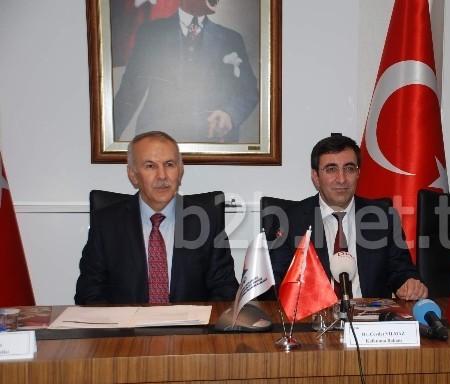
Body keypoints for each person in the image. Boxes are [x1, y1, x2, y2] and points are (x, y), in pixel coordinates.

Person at [75, 131, 239, 304]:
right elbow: (88, 294)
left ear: (180, 171)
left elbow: (225, 291)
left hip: (191, 321)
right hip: (126, 321)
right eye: (150, 166)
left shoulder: (206, 220)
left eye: (169, 164)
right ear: (133, 175)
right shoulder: (106, 224)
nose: (162, 176)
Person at [270, 135, 428, 300]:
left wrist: (409, 283)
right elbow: (276, 280)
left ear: (358, 173)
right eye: (331, 169)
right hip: (315, 313)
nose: (342, 179)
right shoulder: (290, 220)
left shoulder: (382, 217)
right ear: (316, 177)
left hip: (371, 313)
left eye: (349, 169)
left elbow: (401, 270)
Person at [113, 0, 259, 143]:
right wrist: (110, 137)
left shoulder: (231, 39)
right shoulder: (151, 33)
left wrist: (230, 115)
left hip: (211, 142)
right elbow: (129, 91)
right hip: (160, 141)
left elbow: (249, 91)